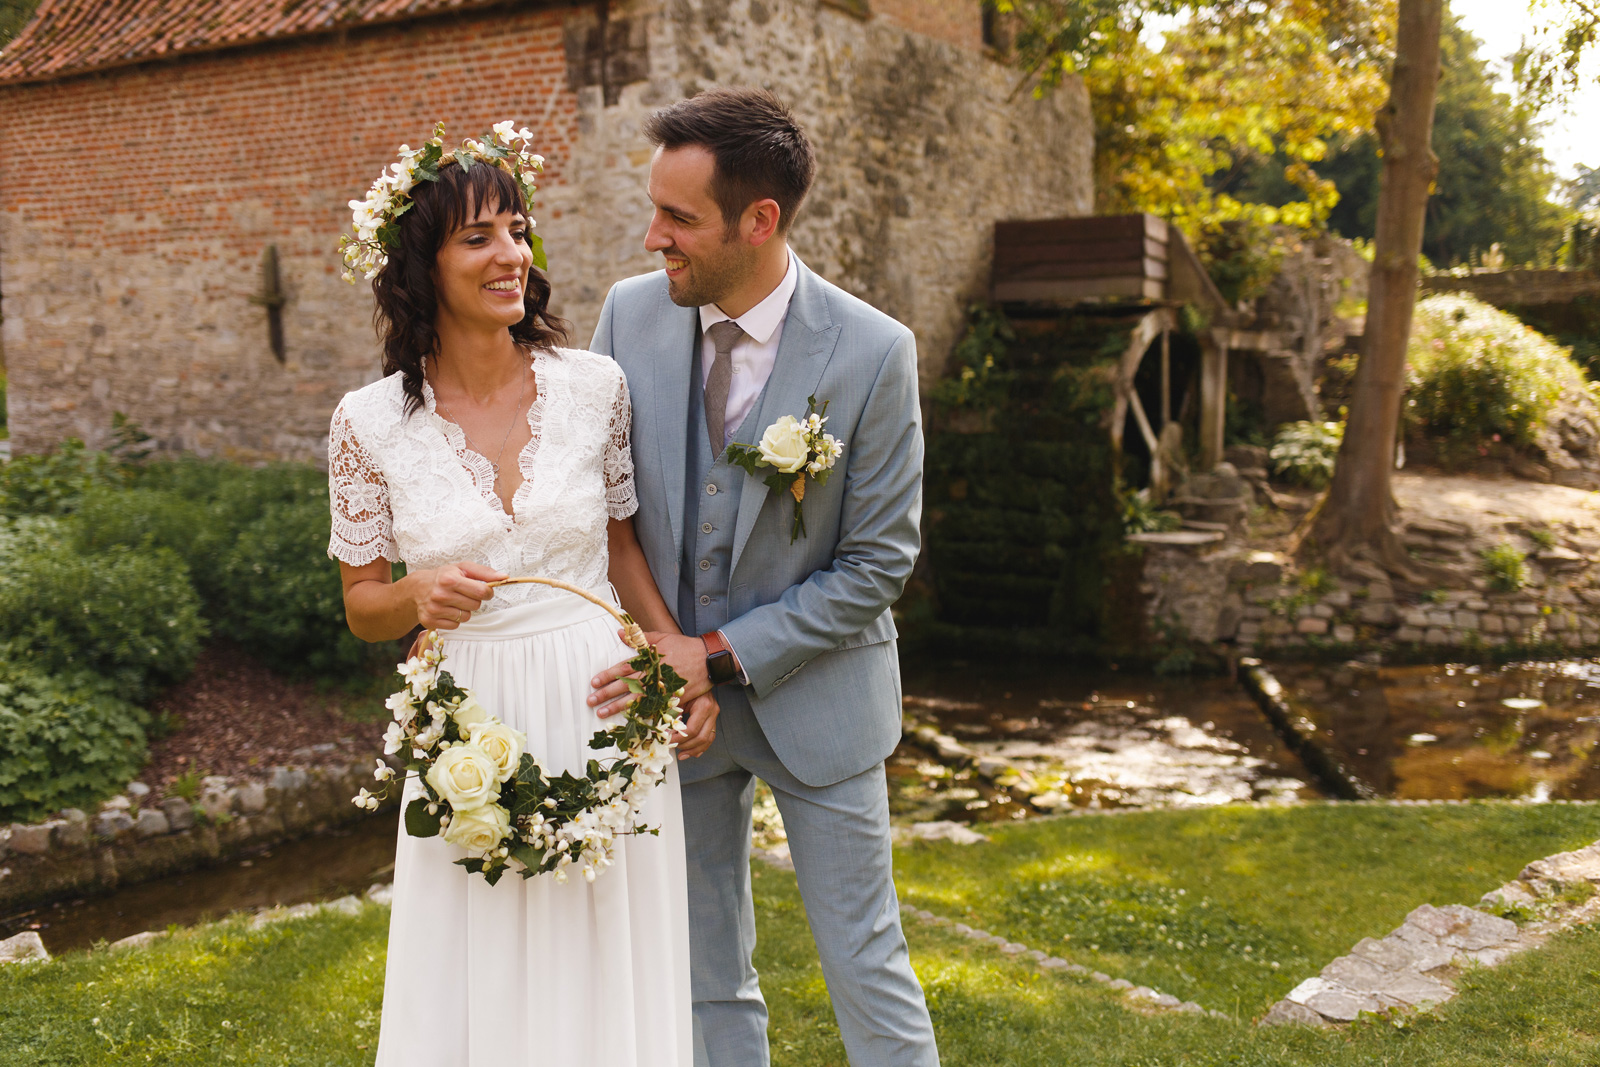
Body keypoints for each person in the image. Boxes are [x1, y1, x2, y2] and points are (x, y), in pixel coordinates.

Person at [326, 134, 713, 1066]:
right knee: (480, 958)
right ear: (422, 266)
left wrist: (681, 667)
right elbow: (363, 605)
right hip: (471, 717)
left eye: (517, 229)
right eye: (477, 238)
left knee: (606, 948)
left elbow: (621, 549)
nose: (511, 256)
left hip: (602, 696)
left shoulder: (594, 388)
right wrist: (418, 593)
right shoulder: (367, 422)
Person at [588, 88, 940, 1067]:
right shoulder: (625, 315)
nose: (653, 235)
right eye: (654, 208)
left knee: (865, 957)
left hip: (818, 700)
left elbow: (878, 563)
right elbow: (601, 510)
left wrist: (715, 655)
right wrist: (666, 656)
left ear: (760, 220)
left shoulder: (873, 351)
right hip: (675, 710)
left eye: (678, 217)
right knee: (701, 968)